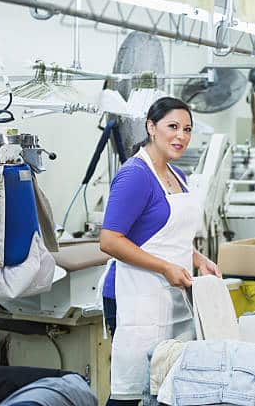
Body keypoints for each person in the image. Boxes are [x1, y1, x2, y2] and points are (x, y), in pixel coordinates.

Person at [99, 97, 220, 405]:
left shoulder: (175, 174)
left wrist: (198, 258)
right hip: (135, 298)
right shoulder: (135, 175)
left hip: (171, 296)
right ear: (151, 127)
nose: (181, 136)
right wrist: (165, 267)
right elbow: (110, 240)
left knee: (166, 387)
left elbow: (169, 235)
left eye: (187, 129)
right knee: (132, 389)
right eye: (173, 127)